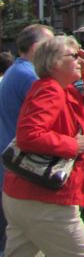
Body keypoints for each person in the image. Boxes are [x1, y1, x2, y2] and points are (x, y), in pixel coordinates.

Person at [2, 35, 84, 256]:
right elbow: (29, 135)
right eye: (74, 56)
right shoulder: (50, 90)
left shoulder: (62, 88)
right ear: (54, 62)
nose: (80, 59)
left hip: (26, 196)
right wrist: (74, 144)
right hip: (45, 199)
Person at [0, 24, 54, 255]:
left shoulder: (16, 71)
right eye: (50, 45)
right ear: (35, 48)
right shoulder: (29, 76)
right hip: (21, 164)